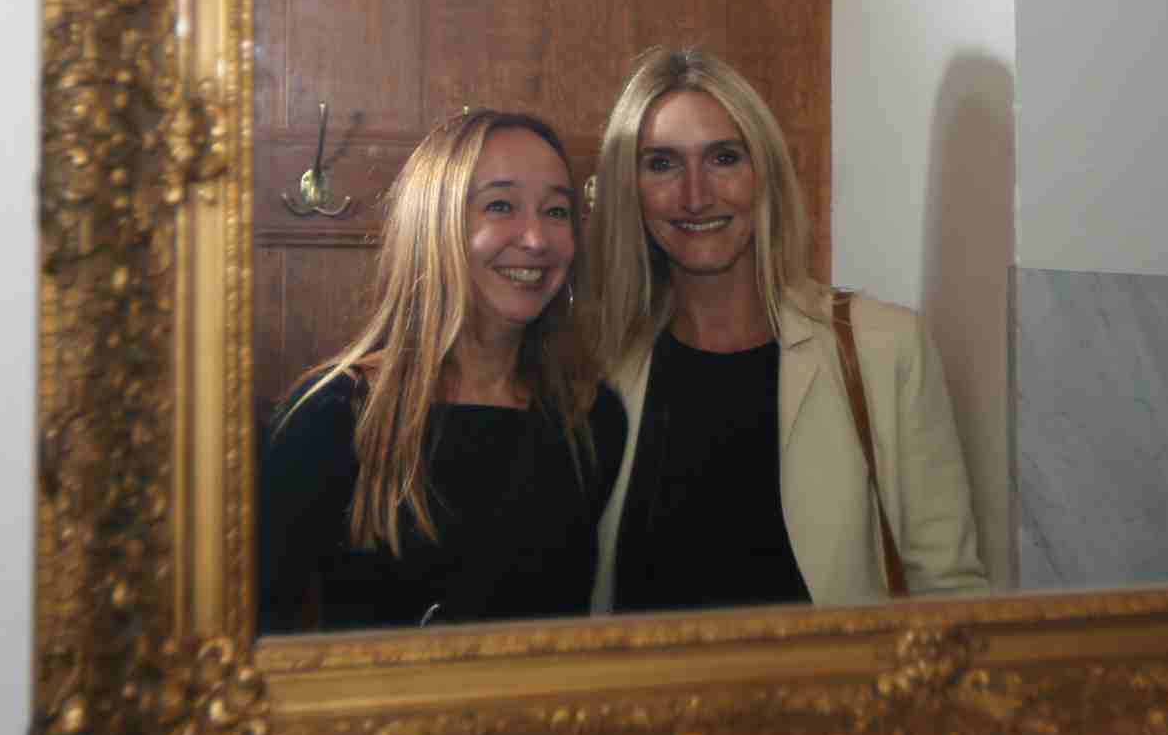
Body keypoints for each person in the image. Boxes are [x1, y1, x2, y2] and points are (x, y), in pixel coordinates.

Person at [587, 47, 987, 612]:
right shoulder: (595, 367)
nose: (696, 195)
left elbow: (950, 595)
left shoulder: (883, 349)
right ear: (627, 188)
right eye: (661, 164)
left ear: (766, 173)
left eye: (724, 158)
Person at [259, 110, 623, 633]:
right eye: (500, 205)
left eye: (557, 211)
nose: (537, 239)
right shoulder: (332, 415)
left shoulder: (591, 418)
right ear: (434, 223)